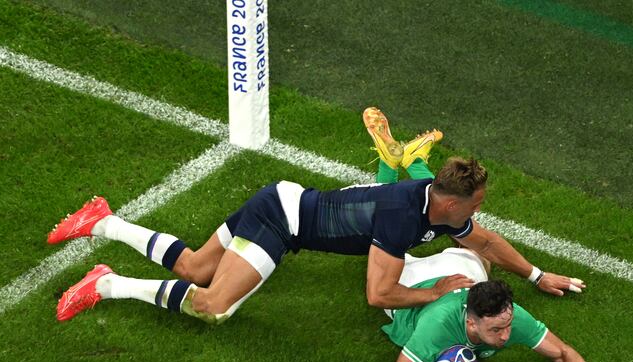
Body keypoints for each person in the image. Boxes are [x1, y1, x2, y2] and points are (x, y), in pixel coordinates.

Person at [48, 109, 584, 323]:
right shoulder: (402, 216)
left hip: (278, 199)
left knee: (191, 268)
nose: (479, 210)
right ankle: (106, 283)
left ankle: (102, 221)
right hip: (280, 223)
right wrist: (440, 292)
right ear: (450, 201)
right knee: (213, 306)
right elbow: (380, 294)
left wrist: (538, 276)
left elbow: (484, 245)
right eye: (477, 203)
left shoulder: (438, 207)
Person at [383, 247, 625, 362]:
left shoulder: (511, 316)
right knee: (388, 242)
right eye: (496, 331)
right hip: (410, 280)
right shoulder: (437, 327)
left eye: (507, 325)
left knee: (478, 255)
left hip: (457, 267)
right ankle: (392, 172)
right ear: (471, 322)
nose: (506, 335)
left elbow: (562, 352)